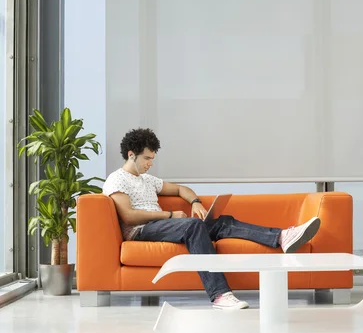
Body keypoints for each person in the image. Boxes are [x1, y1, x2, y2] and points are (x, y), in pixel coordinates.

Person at [103, 128, 321, 311]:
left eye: (152, 158)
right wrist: (169, 215)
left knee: (221, 222)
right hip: (142, 230)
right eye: (147, 158)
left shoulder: (147, 179)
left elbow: (180, 189)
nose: (150, 163)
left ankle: (282, 237)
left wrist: (195, 201)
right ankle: (219, 295)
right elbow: (129, 216)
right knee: (193, 226)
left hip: (163, 225)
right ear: (131, 154)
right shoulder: (117, 179)